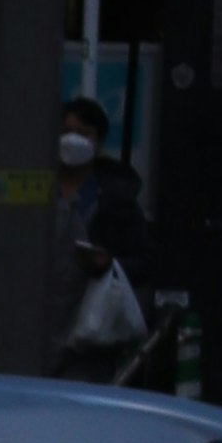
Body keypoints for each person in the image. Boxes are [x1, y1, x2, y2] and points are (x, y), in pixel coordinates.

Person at [52, 111, 158, 378]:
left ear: (98, 142)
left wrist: (108, 263)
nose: (71, 140)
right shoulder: (38, 189)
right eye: (65, 131)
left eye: (83, 133)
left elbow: (145, 261)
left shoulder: (116, 200)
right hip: (44, 321)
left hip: (90, 329)